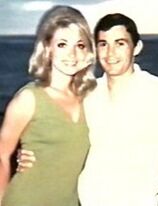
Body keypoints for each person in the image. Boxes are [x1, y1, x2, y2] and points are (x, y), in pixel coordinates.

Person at [17, 13, 158, 206]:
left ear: (136, 47)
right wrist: (30, 153)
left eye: (120, 43)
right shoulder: (86, 93)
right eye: (103, 44)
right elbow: (63, 141)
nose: (110, 53)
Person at [0, 5, 96, 206]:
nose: (72, 54)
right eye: (62, 44)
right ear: (47, 48)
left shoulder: (92, 98)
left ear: (88, 52)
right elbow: (2, 156)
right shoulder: (29, 98)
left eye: (80, 45)